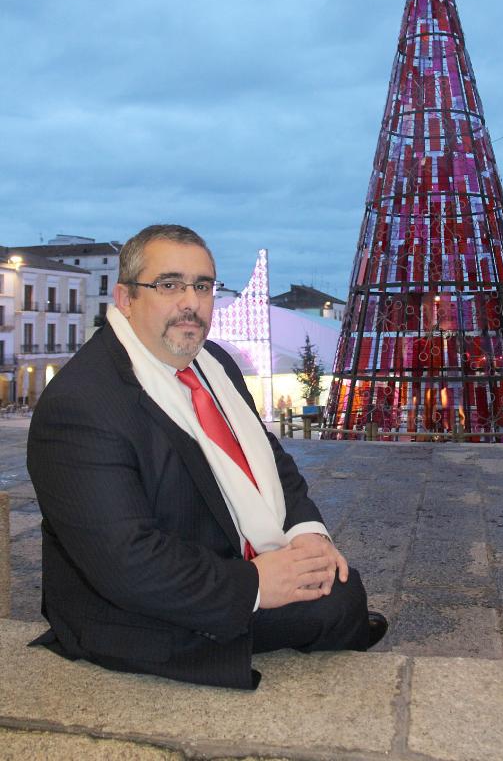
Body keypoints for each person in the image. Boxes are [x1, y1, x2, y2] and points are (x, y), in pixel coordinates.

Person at [27, 225, 387, 689]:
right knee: (336, 601)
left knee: (331, 578)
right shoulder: (83, 404)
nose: (191, 302)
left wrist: (306, 533)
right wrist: (256, 583)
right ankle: (339, 626)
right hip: (135, 610)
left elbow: (273, 463)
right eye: (169, 285)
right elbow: (126, 563)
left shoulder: (214, 363)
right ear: (125, 297)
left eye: (202, 286)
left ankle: (336, 620)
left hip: (213, 555)